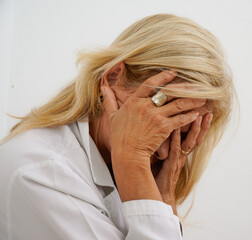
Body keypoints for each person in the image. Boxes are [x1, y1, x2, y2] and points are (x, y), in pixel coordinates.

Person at [0, 14, 236, 239]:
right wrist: (134, 162)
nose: (165, 152)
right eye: (158, 120)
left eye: (180, 136)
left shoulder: (113, 166)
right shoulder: (41, 173)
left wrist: (164, 199)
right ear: (113, 78)